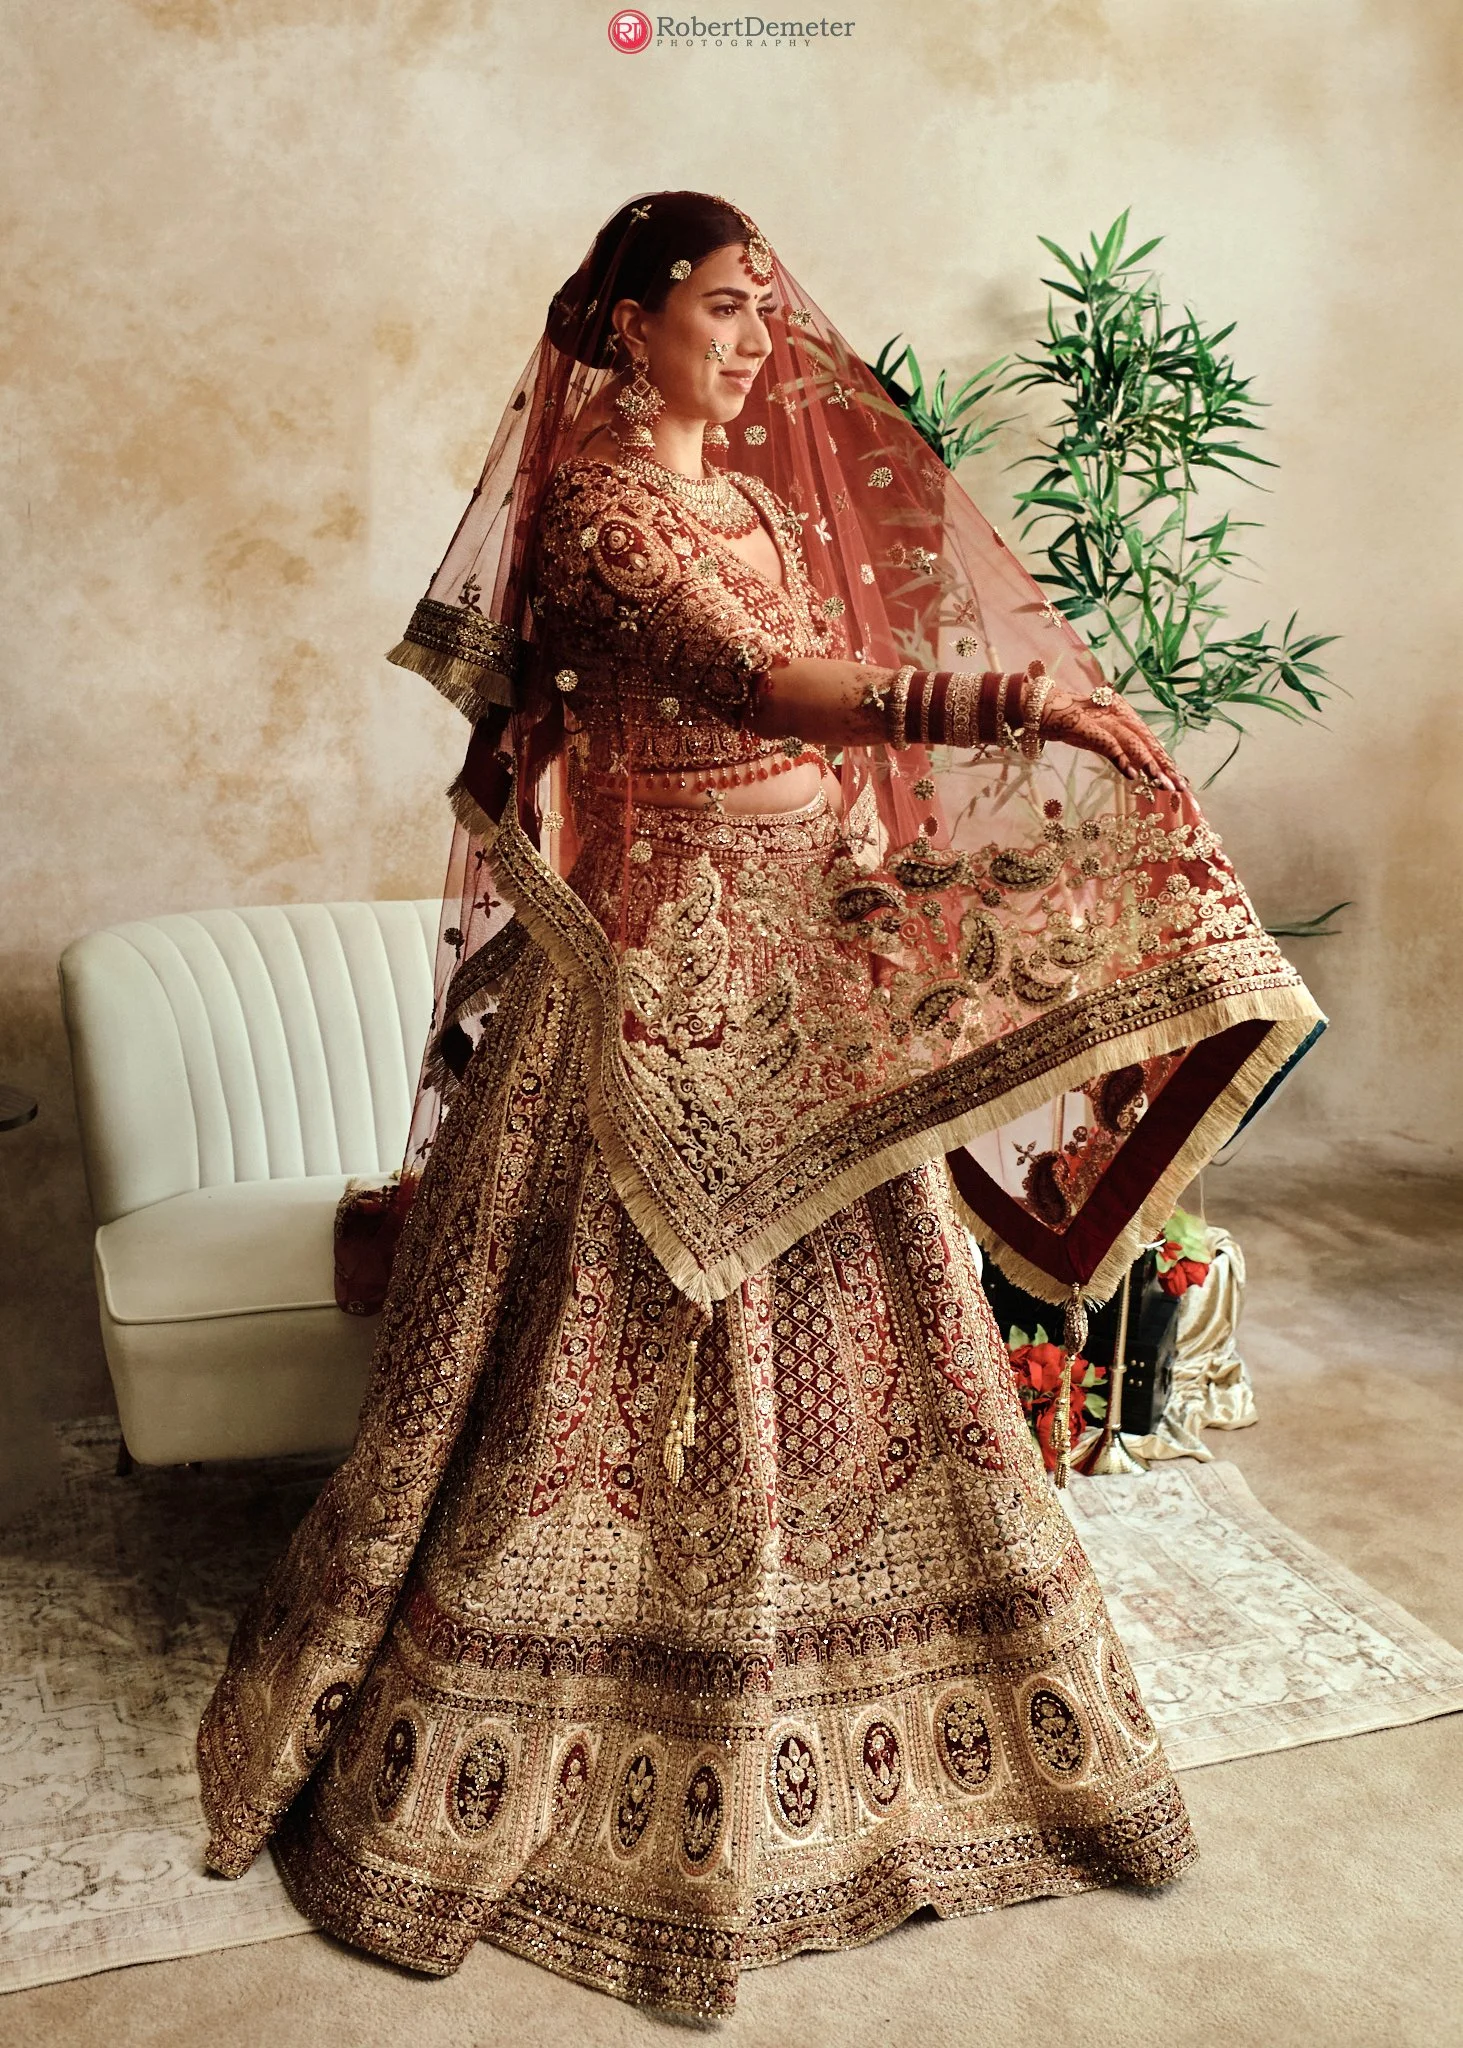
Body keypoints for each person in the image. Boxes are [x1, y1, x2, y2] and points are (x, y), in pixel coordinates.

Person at [198, 193, 1321, 2016]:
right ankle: (602, 1693)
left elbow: (803, 729)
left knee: (891, 1329)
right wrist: (1004, 698)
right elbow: (755, 680)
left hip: (794, 960)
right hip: (652, 982)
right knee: (608, 1338)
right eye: (719, 305)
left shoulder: (757, 498)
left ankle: (886, 1682)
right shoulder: (600, 508)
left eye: (758, 306)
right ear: (629, 319)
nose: (751, 335)